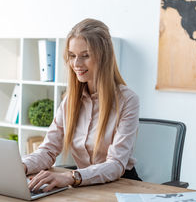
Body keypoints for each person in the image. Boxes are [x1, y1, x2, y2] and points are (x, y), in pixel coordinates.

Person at [22, 18, 140, 192]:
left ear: (103, 57)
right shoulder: (70, 101)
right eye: (72, 56)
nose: (76, 64)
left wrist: (72, 176)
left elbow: (115, 164)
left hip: (121, 185)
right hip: (85, 186)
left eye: (85, 56)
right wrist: (21, 167)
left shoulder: (127, 100)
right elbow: (48, 151)